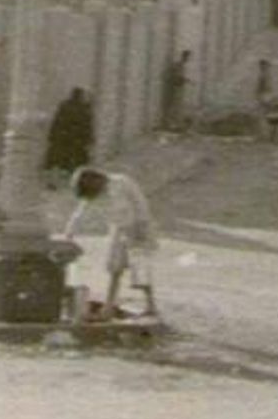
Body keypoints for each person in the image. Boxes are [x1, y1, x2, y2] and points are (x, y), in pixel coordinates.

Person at [64, 167, 159, 319]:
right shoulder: (98, 194)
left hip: (139, 228)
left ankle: (151, 306)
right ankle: (108, 306)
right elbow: (81, 211)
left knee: (140, 269)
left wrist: (138, 229)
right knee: (114, 268)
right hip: (119, 229)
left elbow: (139, 205)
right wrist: (69, 233)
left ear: (97, 180)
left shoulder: (122, 182)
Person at [44, 88, 94, 185]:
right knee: (76, 162)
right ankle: (72, 180)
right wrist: (89, 139)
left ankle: (56, 180)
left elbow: (57, 122)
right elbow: (87, 126)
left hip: (64, 138)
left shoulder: (65, 106)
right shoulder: (84, 108)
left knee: (59, 161)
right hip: (77, 141)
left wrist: (52, 136)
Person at [163, 51, 192, 132]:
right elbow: (176, 76)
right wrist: (184, 80)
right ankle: (170, 124)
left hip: (178, 87)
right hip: (175, 87)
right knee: (173, 105)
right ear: (184, 57)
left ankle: (173, 123)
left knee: (176, 105)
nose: (188, 59)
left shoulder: (181, 66)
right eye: (187, 57)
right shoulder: (178, 65)